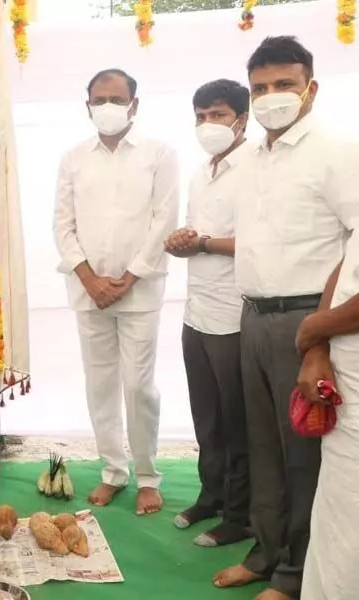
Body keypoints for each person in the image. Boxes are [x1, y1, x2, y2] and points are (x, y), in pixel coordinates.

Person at [212, 36, 357, 600]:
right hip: (252, 317)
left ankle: (296, 575)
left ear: (311, 88)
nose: (272, 97)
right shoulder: (250, 159)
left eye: (284, 85)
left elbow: (355, 244)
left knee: (304, 455)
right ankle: (267, 553)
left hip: (307, 322)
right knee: (263, 446)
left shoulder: (338, 153)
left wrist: (319, 334)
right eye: (261, 89)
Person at [52, 68, 179, 515]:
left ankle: (147, 476)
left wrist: (130, 277)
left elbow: (164, 220)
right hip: (88, 291)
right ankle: (113, 472)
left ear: (134, 104)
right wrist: (89, 278)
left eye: (116, 98)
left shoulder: (159, 153)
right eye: (99, 100)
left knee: (138, 385)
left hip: (138, 292)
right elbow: (62, 225)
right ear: (87, 106)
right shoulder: (73, 157)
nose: (108, 107)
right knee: (100, 384)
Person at [164, 79, 252, 548]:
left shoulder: (257, 166)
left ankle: (240, 516)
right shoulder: (202, 171)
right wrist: (182, 242)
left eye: (216, 115)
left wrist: (201, 243)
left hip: (236, 315)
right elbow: (199, 234)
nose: (207, 124)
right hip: (196, 310)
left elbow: (260, 239)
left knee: (238, 422)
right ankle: (211, 496)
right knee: (207, 417)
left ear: (243, 117)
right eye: (200, 115)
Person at [295, 144, 359, 600]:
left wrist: (317, 325)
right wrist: (316, 346)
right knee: (338, 513)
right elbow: (347, 267)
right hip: (344, 378)